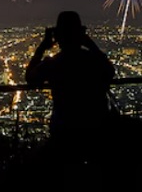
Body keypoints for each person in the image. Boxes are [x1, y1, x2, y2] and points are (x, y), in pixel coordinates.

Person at [24, 11, 116, 165]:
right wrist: (90, 44)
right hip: (96, 129)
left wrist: (42, 47)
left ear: (58, 37)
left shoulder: (53, 64)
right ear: (80, 35)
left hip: (64, 131)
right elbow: (110, 71)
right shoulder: (91, 60)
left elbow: (30, 78)